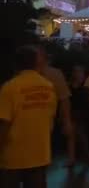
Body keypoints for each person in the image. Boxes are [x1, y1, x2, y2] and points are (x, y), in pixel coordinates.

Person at [0, 46, 57, 188]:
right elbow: (50, 121)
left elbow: (4, 124)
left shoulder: (10, 87)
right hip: (40, 155)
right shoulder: (48, 87)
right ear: (36, 63)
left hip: (12, 157)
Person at [40, 51, 74, 168]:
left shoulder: (53, 74)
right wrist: (67, 121)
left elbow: (64, 98)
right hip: (48, 117)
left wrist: (66, 121)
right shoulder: (55, 73)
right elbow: (64, 98)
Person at [68, 65, 89, 166]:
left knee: (80, 135)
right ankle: (74, 158)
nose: (78, 75)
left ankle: (84, 156)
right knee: (72, 136)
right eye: (77, 72)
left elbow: (85, 102)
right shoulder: (70, 87)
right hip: (73, 112)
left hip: (80, 114)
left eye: (80, 73)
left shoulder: (83, 88)